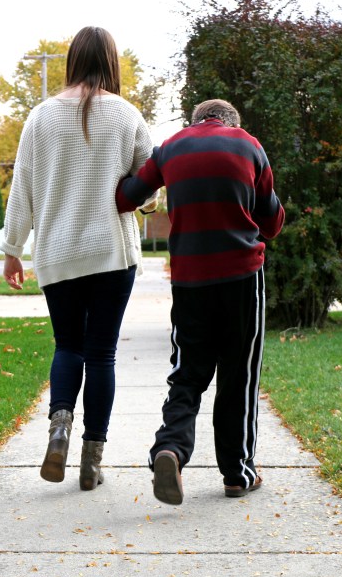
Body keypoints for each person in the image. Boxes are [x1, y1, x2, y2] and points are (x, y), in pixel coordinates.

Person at [0, 26, 154, 491]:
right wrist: (142, 202)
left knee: (67, 345)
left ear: (70, 60)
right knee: (101, 353)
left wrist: (12, 249)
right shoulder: (127, 116)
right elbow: (152, 178)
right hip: (111, 254)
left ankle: (59, 429)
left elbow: (21, 188)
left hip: (58, 254)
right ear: (111, 62)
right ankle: (92, 461)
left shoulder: (40, 118)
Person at [115, 99, 285, 505]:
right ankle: (237, 474)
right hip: (242, 278)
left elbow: (128, 197)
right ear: (231, 122)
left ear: (196, 121)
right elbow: (273, 222)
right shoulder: (249, 146)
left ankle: (170, 449)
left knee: (187, 373)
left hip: (190, 282)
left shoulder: (170, 148)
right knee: (238, 375)